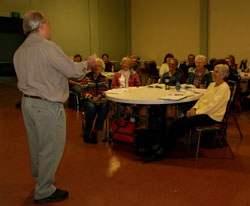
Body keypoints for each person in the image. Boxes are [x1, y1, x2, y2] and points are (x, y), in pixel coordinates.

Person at [13, 11, 96, 203]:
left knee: (36, 146)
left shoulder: (20, 51)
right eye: (49, 23)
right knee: (51, 147)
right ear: (41, 25)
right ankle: (44, 190)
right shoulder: (48, 48)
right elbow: (73, 71)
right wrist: (88, 63)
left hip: (28, 103)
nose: (50, 27)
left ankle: (39, 179)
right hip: (47, 105)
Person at [143, 63, 231, 162]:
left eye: (216, 72)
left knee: (182, 124)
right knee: (178, 122)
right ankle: (160, 146)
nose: (213, 73)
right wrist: (194, 109)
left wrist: (196, 113)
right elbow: (202, 100)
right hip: (203, 112)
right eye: (214, 71)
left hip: (212, 116)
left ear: (223, 75)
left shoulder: (224, 88)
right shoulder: (211, 85)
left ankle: (161, 149)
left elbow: (213, 106)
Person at [81, 58, 109, 143]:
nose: (97, 67)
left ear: (102, 68)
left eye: (99, 66)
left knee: (105, 107)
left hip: (100, 100)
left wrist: (100, 96)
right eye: (95, 65)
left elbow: (106, 91)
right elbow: (83, 91)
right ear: (92, 67)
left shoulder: (104, 78)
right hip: (88, 100)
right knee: (91, 108)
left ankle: (95, 132)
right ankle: (87, 133)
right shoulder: (86, 78)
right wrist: (91, 98)